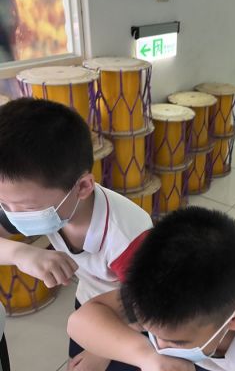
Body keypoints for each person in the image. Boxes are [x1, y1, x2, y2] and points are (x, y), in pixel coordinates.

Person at [0, 98, 188, 371]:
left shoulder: (127, 237)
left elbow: (145, 306)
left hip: (130, 318)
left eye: (27, 208)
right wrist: (20, 253)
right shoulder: (32, 201)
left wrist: (99, 351)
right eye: (3, 204)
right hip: (90, 301)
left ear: (83, 187)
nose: (14, 214)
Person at [67, 207, 235, 371]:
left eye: (177, 342)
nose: (160, 346)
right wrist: (146, 357)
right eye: (150, 330)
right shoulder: (161, 285)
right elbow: (80, 322)